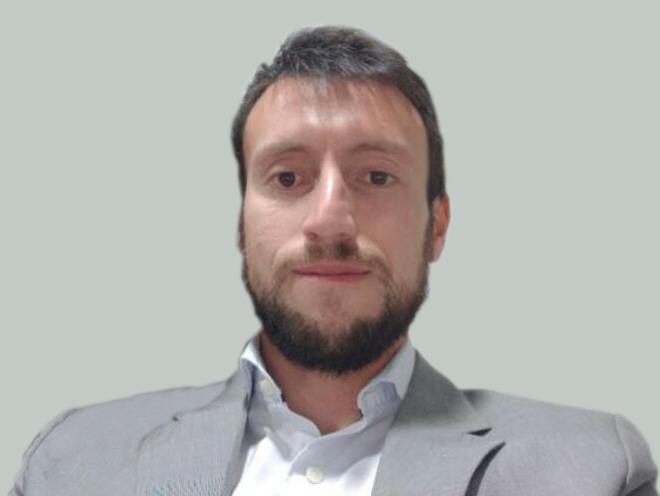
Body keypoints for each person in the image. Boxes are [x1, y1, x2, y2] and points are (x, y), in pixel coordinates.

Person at [10, 26, 657, 496]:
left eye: (376, 176)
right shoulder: (71, 461)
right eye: (288, 177)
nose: (329, 220)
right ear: (241, 225)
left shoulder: (591, 468)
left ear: (436, 226)